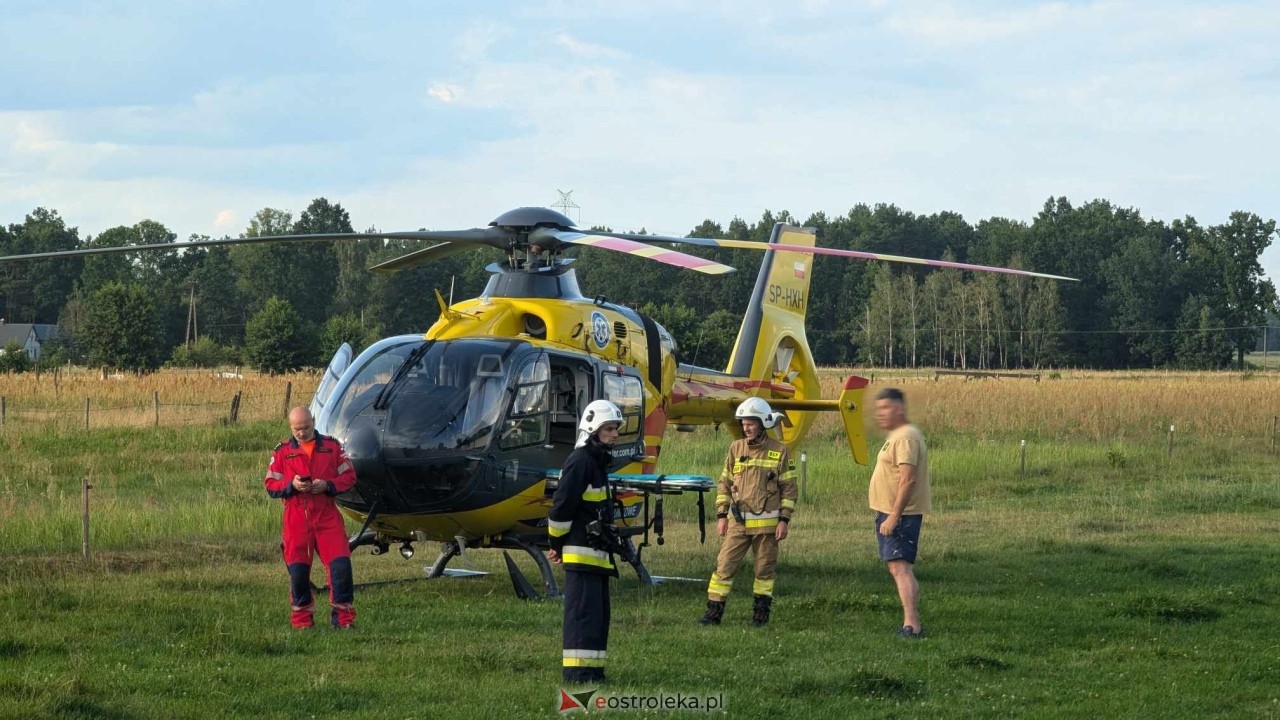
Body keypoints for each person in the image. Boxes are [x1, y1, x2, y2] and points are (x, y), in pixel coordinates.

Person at [699, 397, 797, 627]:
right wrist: (722, 516)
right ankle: (713, 615)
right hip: (738, 523)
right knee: (723, 567)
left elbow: (789, 489)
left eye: (750, 423)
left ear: (763, 423)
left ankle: (760, 617)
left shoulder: (780, 451)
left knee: (764, 571)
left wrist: (784, 520)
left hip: (767, 526)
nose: (746, 427)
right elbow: (724, 483)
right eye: (743, 423)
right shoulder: (736, 448)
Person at [547, 400, 624, 684]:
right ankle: (578, 675)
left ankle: (593, 672)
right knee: (582, 618)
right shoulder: (580, 462)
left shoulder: (595, 462)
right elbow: (561, 507)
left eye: (615, 429)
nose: (615, 434)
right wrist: (555, 544)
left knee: (596, 618)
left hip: (596, 556)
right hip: (582, 556)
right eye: (610, 429)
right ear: (593, 429)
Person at [263, 406, 359, 629]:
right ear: (290, 427)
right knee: (298, 572)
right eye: (296, 429)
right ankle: (302, 621)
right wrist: (292, 486)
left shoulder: (332, 447)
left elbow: (350, 476)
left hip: (326, 514)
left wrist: (328, 485)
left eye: (305, 427)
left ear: (313, 422)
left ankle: (344, 620)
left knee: (341, 566)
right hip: (296, 517)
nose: (301, 433)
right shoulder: (282, 452)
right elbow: (271, 485)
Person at [869, 387, 931, 639]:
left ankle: (912, 625)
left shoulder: (905, 437)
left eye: (885, 408)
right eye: (878, 408)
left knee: (900, 567)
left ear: (899, 409)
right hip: (891, 511)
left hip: (900, 514)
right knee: (898, 567)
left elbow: (908, 480)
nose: (880, 414)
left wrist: (894, 515)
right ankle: (911, 622)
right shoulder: (898, 435)